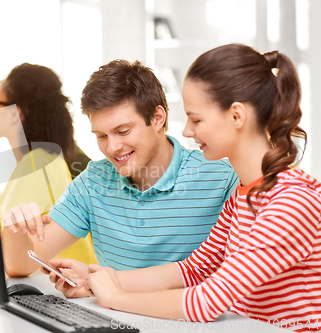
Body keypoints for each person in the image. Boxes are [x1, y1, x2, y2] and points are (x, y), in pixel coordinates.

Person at [52, 44, 321, 331]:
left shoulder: (292, 201)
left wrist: (115, 296)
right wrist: (96, 278)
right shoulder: (240, 195)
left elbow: (208, 301)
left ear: (237, 116)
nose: (186, 131)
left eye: (197, 119)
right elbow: (194, 268)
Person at [1, 59, 238, 277]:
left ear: (157, 118)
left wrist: (104, 282)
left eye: (123, 131)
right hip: (116, 320)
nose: (113, 147)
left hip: (193, 321)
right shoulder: (93, 181)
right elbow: (20, 266)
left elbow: (233, 281)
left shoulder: (219, 177)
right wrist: (16, 230)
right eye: (101, 135)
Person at [0, 63, 96, 265]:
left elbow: (2, 242)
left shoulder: (38, 164)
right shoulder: (37, 160)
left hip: (60, 283)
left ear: (14, 114)